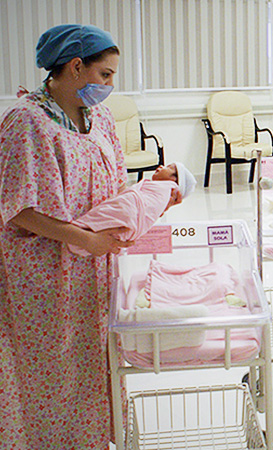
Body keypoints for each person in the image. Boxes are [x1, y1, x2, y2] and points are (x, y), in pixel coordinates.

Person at [0, 24, 157, 448]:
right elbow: (19, 209)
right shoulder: (27, 122)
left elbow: (115, 182)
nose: (109, 85)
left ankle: (92, 440)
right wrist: (85, 240)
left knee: (93, 360)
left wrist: (142, 206)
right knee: (50, 366)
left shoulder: (99, 118)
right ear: (74, 67)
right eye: (105, 74)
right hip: (44, 275)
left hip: (95, 270)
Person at [68, 162, 196, 256]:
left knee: (102, 216)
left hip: (129, 206)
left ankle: (78, 230)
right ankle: (79, 238)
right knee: (109, 231)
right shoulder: (163, 192)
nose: (161, 166)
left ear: (174, 179)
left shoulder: (169, 188)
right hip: (133, 224)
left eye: (168, 167)